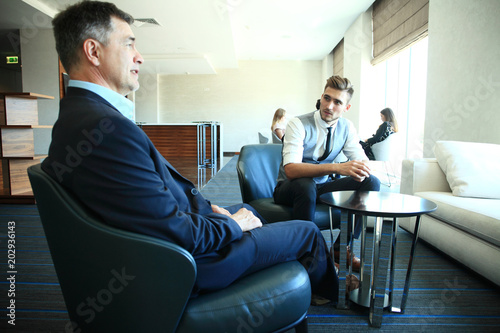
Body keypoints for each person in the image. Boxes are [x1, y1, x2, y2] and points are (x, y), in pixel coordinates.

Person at [42, 0, 340, 302]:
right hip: (189, 264)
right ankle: (322, 296)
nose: (140, 57)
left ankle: (280, 269)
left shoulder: (76, 119)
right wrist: (230, 224)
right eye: (129, 44)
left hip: (174, 246)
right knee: (307, 231)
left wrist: (210, 211)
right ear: (93, 51)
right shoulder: (106, 129)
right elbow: (172, 232)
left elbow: (147, 208)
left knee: (250, 210)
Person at [273, 75, 381, 269]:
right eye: (327, 98)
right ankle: (307, 253)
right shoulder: (298, 124)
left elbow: (362, 160)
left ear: (346, 108)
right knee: (306, 185)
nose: (329, 106)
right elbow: (290, 170)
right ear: (321, 97)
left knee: (371, 182)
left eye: (337, 102)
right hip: (289, 188)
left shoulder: (347, 127)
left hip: (321, 188)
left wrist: (360, 168)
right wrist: (338, 167)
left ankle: (341, 247)